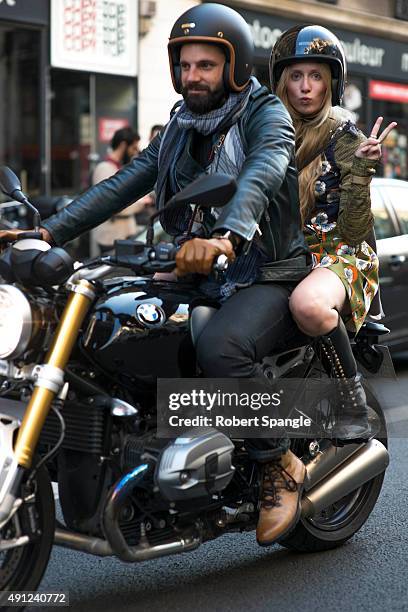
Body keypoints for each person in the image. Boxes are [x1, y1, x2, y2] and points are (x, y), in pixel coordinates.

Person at [0, 4, 310, 546]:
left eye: (206, 66)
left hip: (265, 268)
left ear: (234, 69)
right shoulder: (180, 127)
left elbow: (261, 175)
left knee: (222, 348)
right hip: (195, 263)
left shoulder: (266, 115)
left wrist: (228, 236)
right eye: (185, 65)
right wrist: (46, 232)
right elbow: (123, 185)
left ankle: (276, 460)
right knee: (114, 323)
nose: (193, 76)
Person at [269, 24, 397, 440]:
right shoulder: (267, 133)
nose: (305, 87)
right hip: (281, 255)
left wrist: (361, 171)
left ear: (331, 83)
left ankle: (351, 400)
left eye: (316, 76)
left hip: (338, 255)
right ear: (281, 82)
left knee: (308, 306)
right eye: (296, 76)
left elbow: (356, 230)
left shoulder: (346, 138)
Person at [91, 127, 144, 254]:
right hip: (111, 238)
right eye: (133, 148)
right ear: (123, 145)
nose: (135, 152)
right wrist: (141, 203)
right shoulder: (104, 168)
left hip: (123, 234)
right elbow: (113, 205)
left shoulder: (119, 167)